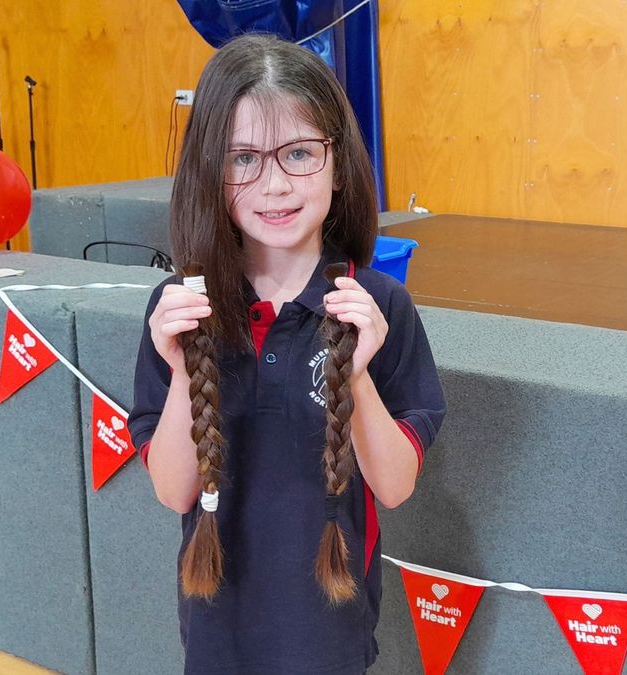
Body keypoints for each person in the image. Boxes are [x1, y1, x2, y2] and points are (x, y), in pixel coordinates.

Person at [127, 33, 446, 675]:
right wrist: (183, 367)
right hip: (217, 630)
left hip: (329, 633)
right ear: (208, 171)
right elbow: (172, 489)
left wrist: (355, 378)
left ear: (337, 161)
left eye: (298, 153)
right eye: (242, 158)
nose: (273, 186)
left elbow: (394, 485)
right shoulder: (181, 306)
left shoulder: (377, 304)